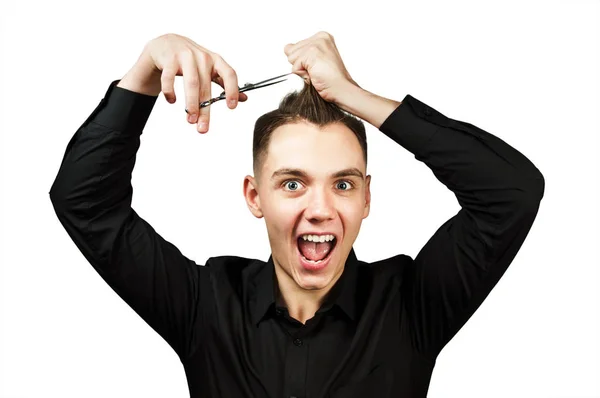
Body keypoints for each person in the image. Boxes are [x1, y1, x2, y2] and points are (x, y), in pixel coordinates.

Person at [49, 32, 545, 397]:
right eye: (293, 183)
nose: (321, 209)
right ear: (254, 196)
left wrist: (354, 96)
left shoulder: (412, 305)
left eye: (344, 184)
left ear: (366, 199)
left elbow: (512, 193)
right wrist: (145, 72)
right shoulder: (205, 305)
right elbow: (84, 203)